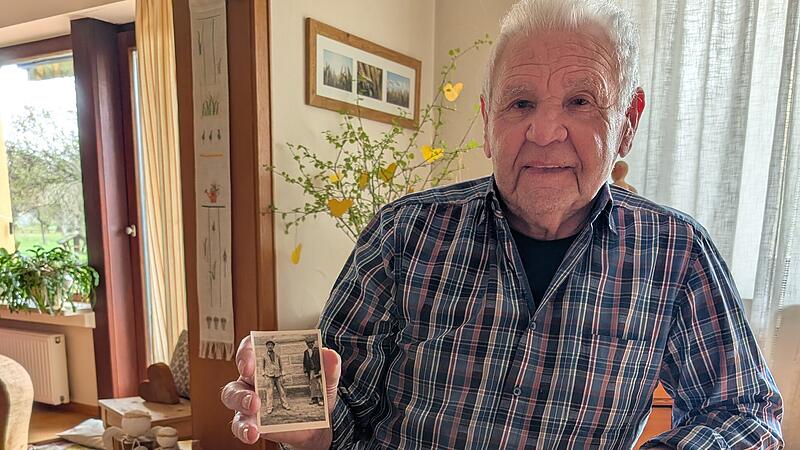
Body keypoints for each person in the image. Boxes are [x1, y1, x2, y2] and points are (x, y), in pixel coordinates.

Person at [223, 0, 784, 448]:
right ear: (489, 122)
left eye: (580, 101)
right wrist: (304, 424)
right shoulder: (402, 235)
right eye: (520, 104)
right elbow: (339, 418)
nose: (544, 132)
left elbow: (747, 412)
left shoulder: (676, 252)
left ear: (627, 123)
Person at [261, 339, 291, 414]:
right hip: (269, 376)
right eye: (268, 345)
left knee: (281, 391)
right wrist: (264, 374)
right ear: (266, 346)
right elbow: (262, 366)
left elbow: (281, 365)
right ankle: (269, 408)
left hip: (278, 375)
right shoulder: (264, 356)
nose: (270, 346)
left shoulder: (277, 355)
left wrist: (283, 373)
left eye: (271, 345)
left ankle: (285, 405)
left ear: (273, 346)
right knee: (270, 392)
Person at [303, 336, 324, 406]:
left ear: (314, 343)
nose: (310, 344)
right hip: (310, 371)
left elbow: (321, 360)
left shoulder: (317, 351)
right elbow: (305, 362)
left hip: (317, 370)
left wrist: (321, 369)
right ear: (307, 344)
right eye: (309, 343)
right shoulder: (305, 352)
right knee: (312, 385)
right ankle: (314, 398)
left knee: (319, 384)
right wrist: (305, 371)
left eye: (312, 343)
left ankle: (320, 399)